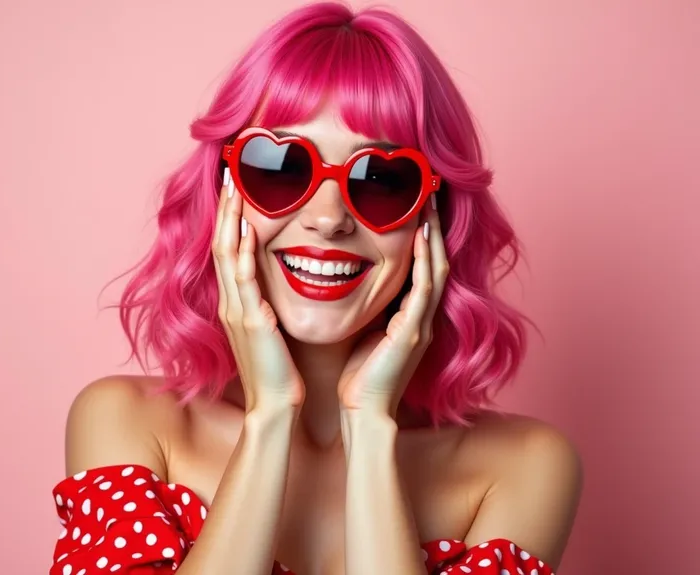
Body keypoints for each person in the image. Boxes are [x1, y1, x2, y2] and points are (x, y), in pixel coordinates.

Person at [48, 2, 582, 574]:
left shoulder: (524, 466)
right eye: (280, 168)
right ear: (223, 195)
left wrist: (371, 426)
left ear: (434, 219)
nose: (329, 219)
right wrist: (270, 414)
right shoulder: (126, 422)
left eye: (380, 179)